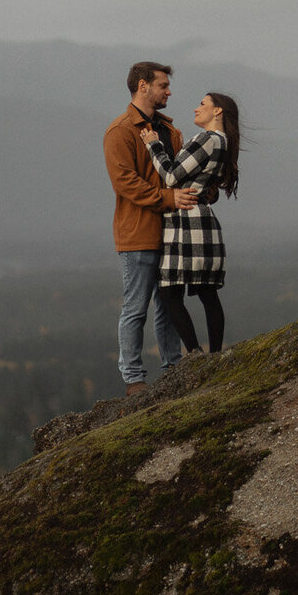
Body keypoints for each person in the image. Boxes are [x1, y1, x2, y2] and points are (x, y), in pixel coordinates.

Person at [103, 61, 198, 395]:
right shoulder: (120, 132)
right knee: (136, 308)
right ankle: (134, 380)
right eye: (163, 85)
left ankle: (173, 368)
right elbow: (125, 183)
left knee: (169, 305)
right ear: (143, 86)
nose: (169, 91)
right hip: (137, 235)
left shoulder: (170, 132)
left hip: (172, 235)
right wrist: (169, 198)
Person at [140, 91, 240, 356]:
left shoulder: (208, 139)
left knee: (169, 291)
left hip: (188, 223)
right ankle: (213, 354)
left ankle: (196, 354)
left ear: (217, 111)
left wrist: (153, 144)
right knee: (206, 292)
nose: (197, 108)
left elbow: (172, 176)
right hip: (198, 220)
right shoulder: (222, 141)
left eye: (203, 104)